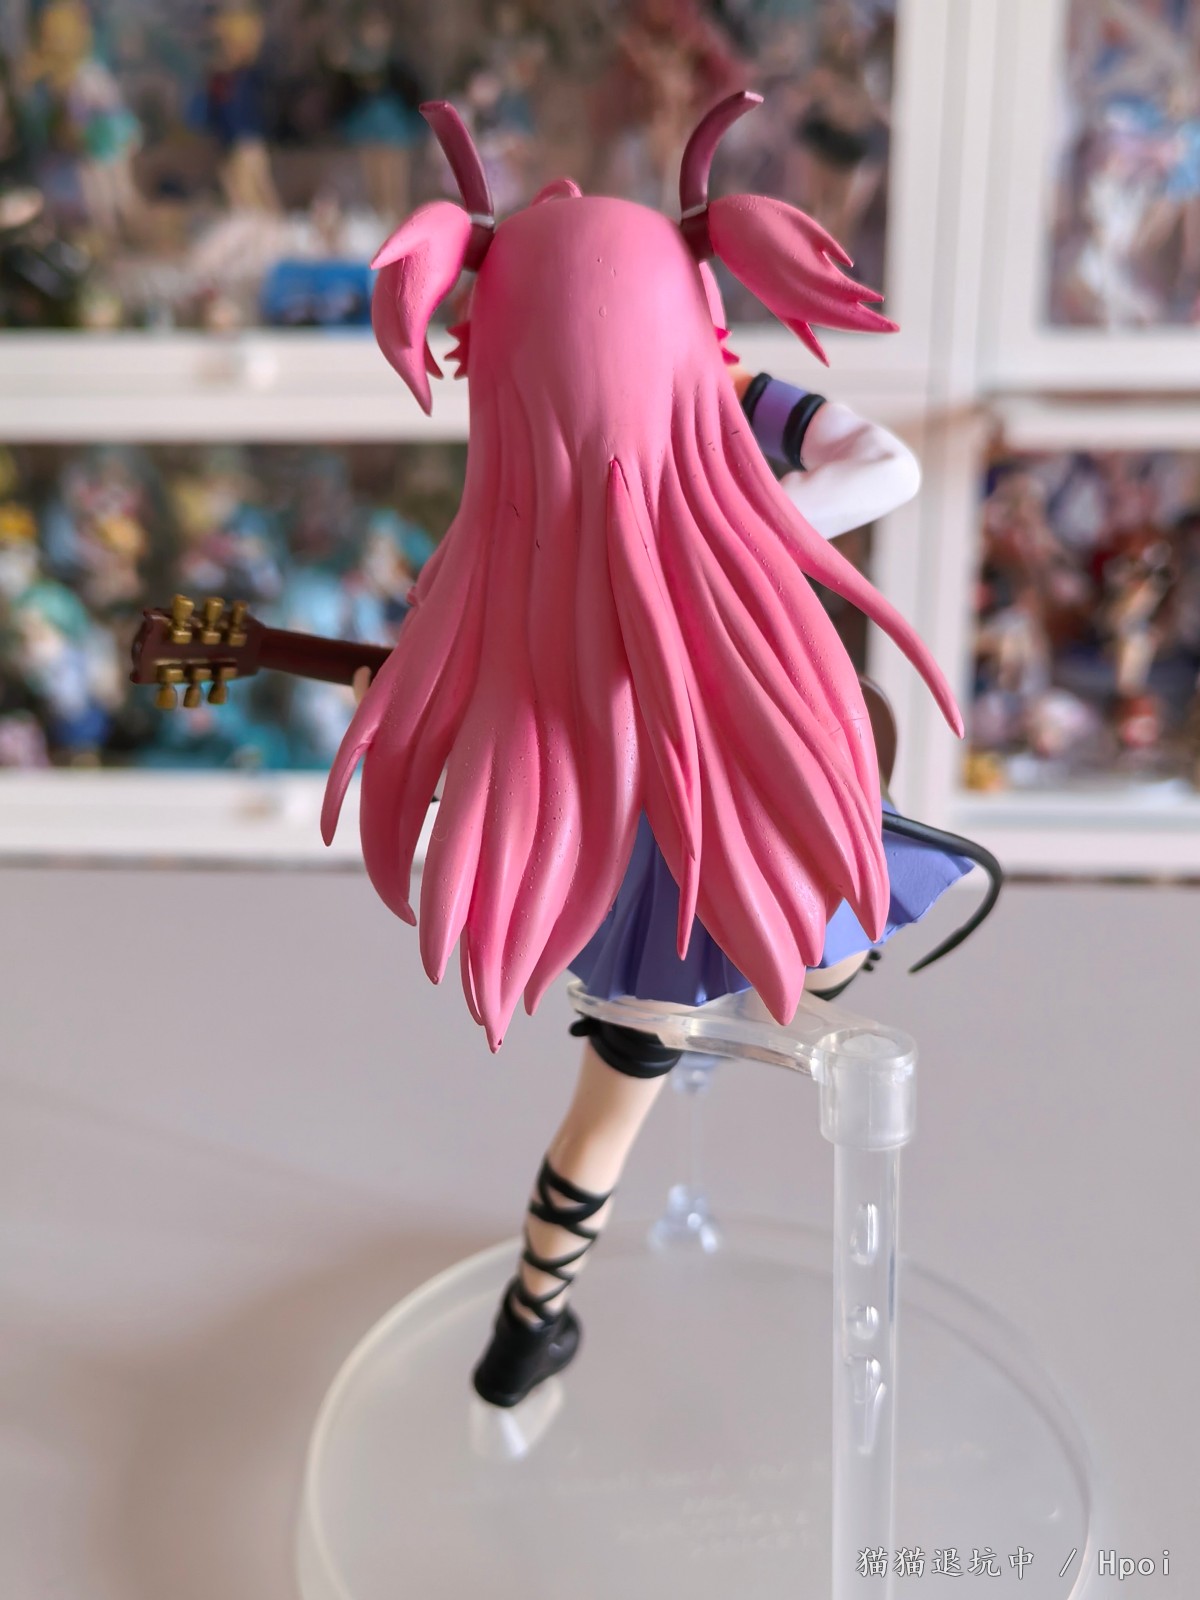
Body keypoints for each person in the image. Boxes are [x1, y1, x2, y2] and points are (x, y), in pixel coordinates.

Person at [322, 94, 989, 1409]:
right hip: (695, 852)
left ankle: (529, 1321)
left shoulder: (602, 484)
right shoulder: (519, 541)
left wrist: (727, 522)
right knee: (780, 955)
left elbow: (886, 470)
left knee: (616, 1103)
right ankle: (535, 1319)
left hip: (675, 859)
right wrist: (732, 525)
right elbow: (886, 467)